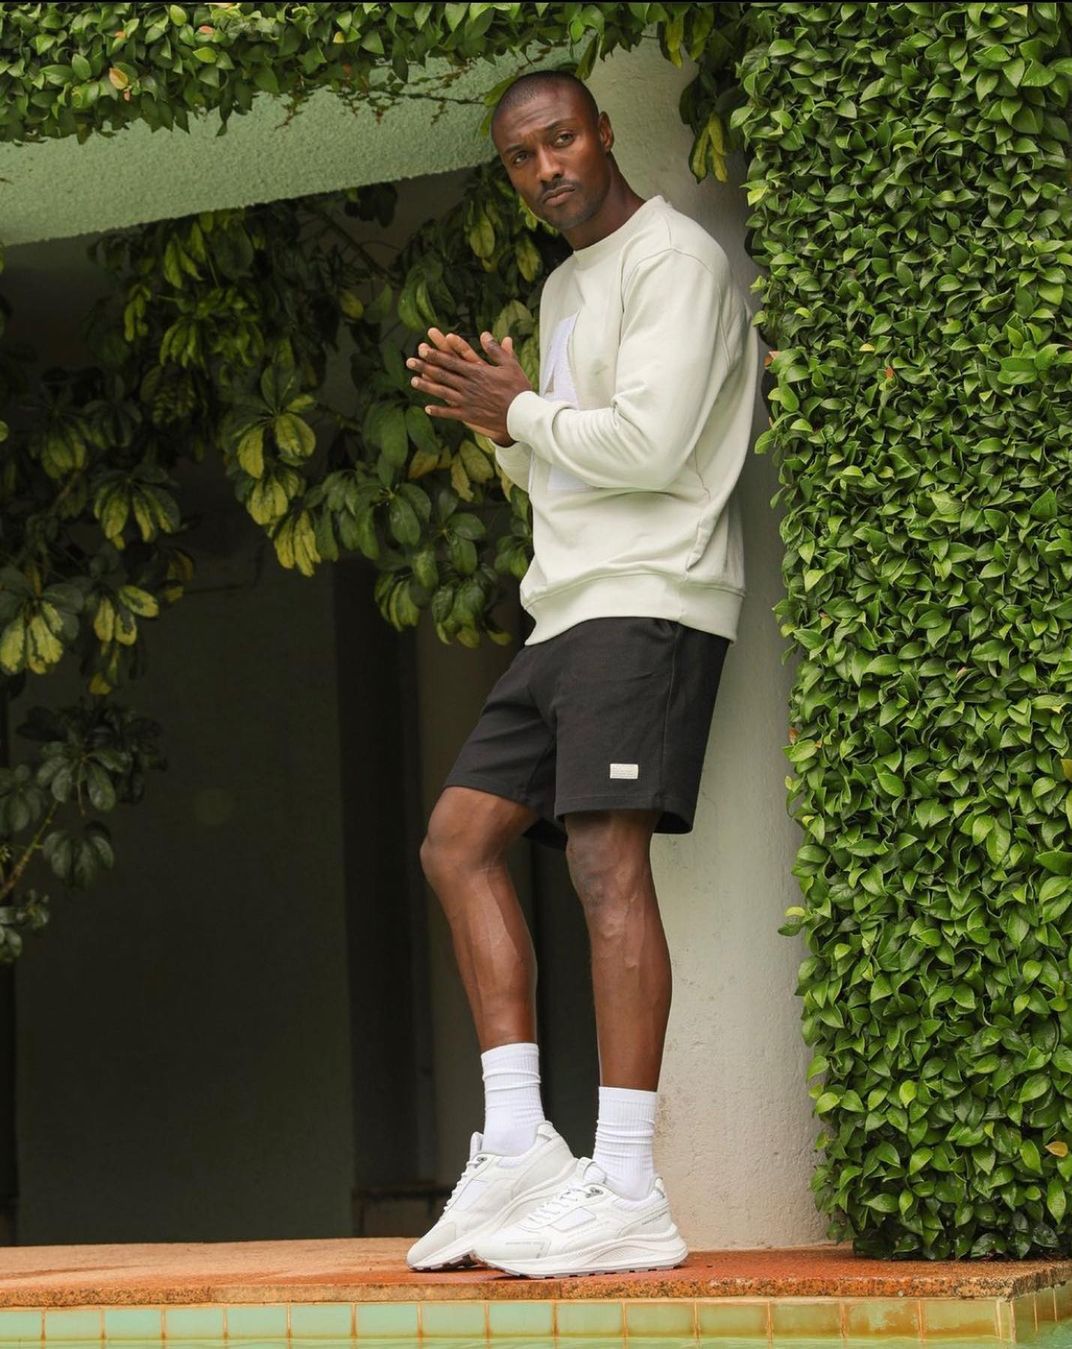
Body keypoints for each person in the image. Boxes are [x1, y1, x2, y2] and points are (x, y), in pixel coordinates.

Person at [402, 68, 758, 1278]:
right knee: (457, 842)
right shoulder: (563, 287)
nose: (547, 167)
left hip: (649, 595)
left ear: (603, 132)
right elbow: (570, 459)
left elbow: (651, 448)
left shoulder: (677, 262)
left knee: (606, 863)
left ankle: (629, 1184)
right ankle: (518, 1146)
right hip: (567, 607)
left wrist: (524, 412)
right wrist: (505, 425)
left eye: (561, 139)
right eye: (522, 156)